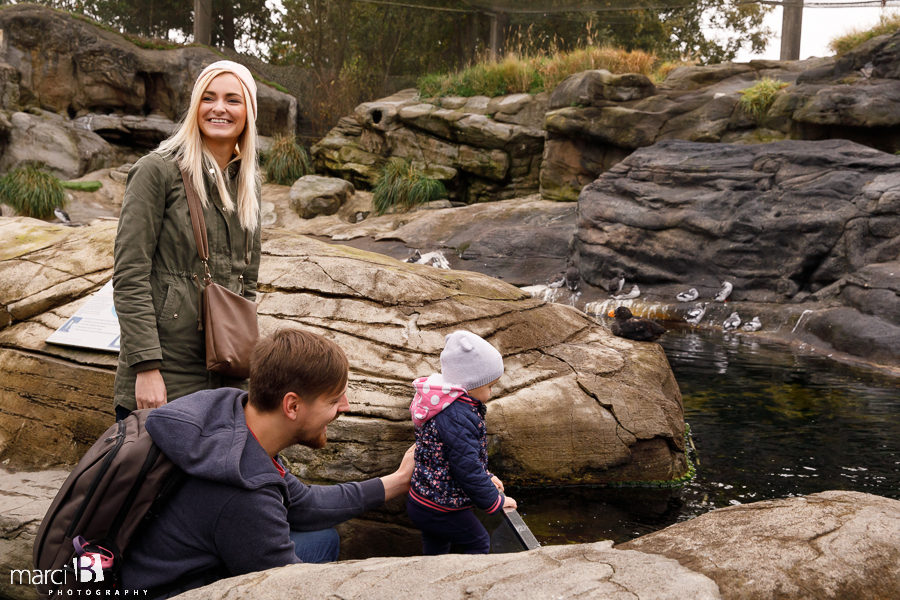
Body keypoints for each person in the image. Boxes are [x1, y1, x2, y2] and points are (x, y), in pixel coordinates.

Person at [119, 328, 415, 597]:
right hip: (172, 591)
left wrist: (398, 480)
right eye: (334, 399)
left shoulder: (231, 414)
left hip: (152, 566)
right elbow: (285, 588)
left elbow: (306, 504)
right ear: (293, 406)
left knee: (323, 537)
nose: (345, 407)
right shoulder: (241, 489)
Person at [112, 60, 262, 421]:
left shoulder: (247, 184)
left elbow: (249, 282)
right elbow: (129, 275)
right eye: (208, 98)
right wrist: (146, 368)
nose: (219, 108)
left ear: (249, 112)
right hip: (167, 372)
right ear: (196, 106)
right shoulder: (157, 170)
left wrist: (242, 351)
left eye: (232, 99)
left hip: (227, 374)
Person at [405, 330, 516, 555]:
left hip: (424, 499)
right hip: (442, 507)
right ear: (470, 384)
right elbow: (465, 467)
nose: (492, 391)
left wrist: (487, 476)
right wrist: (495, 501)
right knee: (478, 542)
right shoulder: (458, 415)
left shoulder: (443, 403)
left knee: (436, 549)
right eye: (489, 386)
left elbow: (456, 455)